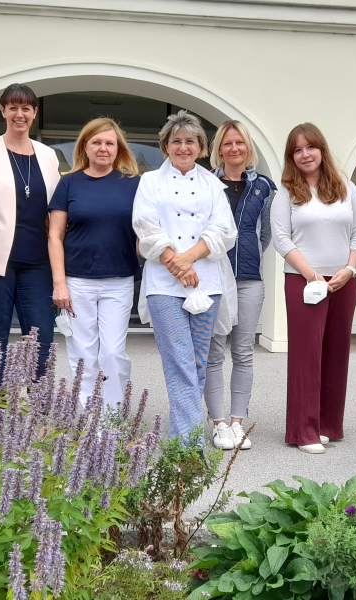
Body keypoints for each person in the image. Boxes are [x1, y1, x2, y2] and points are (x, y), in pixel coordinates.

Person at [133, 110, 237, 441]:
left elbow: (224, 230)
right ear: (165, 146)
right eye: (175, 141)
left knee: (198, 362)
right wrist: (175, 263)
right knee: (179, 361)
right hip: (164, 285)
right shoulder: (150, 182)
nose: (183, 147)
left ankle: (183, 439)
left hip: (206, 283)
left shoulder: (212, 184)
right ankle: (190, 447)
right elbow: (145, 226)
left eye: (190, 141)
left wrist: (189, 259)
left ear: (202, 147)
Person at [270, 123, 356, 455]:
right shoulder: (286, 193)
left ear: (322, 150)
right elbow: (281, 239)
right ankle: (303, 430)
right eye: (297, 150)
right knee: (307, 355)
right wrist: (312, 275)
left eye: (310, 147)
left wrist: (349, 269)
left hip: (343, 282)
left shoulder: (346, 188)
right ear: (291, 157)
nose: (305, 154)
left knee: (336, 353)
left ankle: (327, 425)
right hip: (304, 282)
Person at [0, 84, 61, 377]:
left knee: (41, 339)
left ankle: (41, 415)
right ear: (3, 110)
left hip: (38, 261)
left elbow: (55, 208)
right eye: (13, 107)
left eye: (26, 108)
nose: (19, 114)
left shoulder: (48, 155)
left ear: (35, 113)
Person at [49, 118, 141, 407]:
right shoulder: (68, 183)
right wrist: (60, 284)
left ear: (118, 149)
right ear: (85, 147)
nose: (103, 148)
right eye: (96, 142)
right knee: (83, 355)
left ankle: (113, 415)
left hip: (119, 281)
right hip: (77, 282)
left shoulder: (134, 185)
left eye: (109, 143)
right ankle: (86, 419)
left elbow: (147, 230)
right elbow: (54, 236)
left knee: (112, 352)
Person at [204, 120, 276, 450]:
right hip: (213, 280)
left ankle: (237, 422)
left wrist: (244, 255)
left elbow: (265, 235)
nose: (234, 148)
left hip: (248, 280)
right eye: (228, 143)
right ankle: (218, 424)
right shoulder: (205, 183)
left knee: (243, 351)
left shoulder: (263, 186)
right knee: (214, 352)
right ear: (219, 149)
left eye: (240, 143)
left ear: (248, 149)